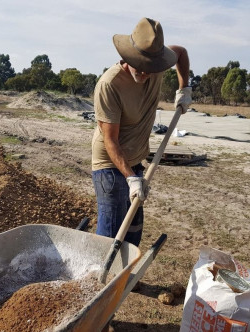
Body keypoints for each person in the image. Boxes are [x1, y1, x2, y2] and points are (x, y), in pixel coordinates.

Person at [91, 17, 192, 247]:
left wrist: (184, 88)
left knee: (133, 229)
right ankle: (101, 280)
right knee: (111, 232)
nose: (147, 74)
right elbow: (110, 140)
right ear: (128, 57)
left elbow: (182, 53)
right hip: (110, 165)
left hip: (136, 162)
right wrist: (131, 179)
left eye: (151, 68)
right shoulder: (110, 84)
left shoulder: (156, 65)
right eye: (142, 67)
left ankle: (126, 278)